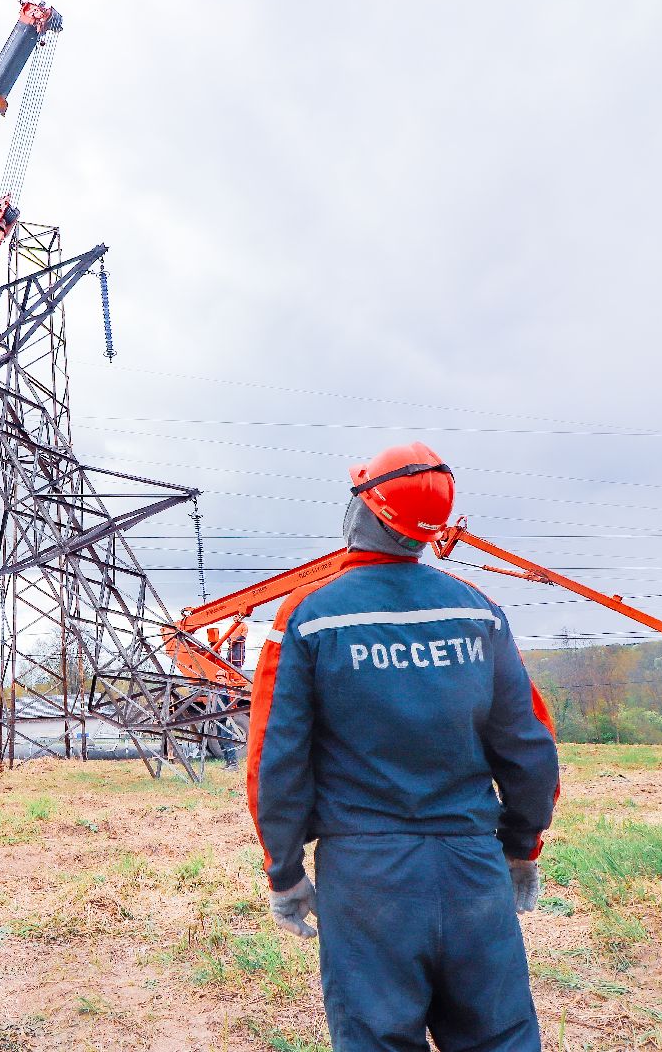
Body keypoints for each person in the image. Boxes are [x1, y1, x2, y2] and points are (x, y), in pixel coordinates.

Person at [247, 441, 560, 1052]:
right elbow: (529, 748)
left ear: (365, 509)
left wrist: (284, 873)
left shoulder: (310, 616)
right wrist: (522, 848)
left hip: (366, 881)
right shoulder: (478, 612)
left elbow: (275, 762)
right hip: (474, 869)